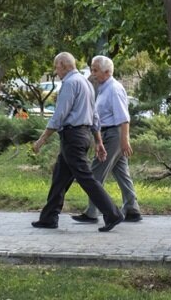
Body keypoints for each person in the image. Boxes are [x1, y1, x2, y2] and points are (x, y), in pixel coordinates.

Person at [31, 52, 123, 232]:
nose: (56, 71)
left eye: (56, 67)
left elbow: (59, 115)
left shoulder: (70, 83)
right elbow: (94, 115)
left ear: (64, 65)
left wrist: (42, 139)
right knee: (59, 177)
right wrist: (98, 141)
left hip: (72, 137)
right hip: (81, 136)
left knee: (86, 178)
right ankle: (49, 217)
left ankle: (112, 214)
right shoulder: (87, 84)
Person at [70, 55, 142, 225]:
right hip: (109, 133)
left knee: (95, 173)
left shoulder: (114, 89)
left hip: (114, 135)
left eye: (95, 70)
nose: (92, 73)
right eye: (91, 69)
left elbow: (123, 118)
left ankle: (92, 212)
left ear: (107, 72)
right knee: (121, 173)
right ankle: (132, 209)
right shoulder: (103, 87)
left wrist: (124, 141)